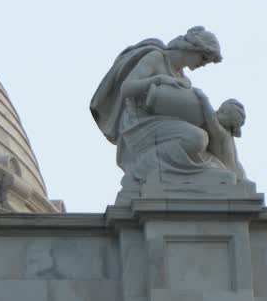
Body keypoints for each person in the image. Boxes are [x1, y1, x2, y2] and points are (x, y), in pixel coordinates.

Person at [90, 26, 233, 186]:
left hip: (164, 122)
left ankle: (196, 175)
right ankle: (144, 169)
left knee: (209, 143)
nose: (204, 64)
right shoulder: (156, 58)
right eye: (204, 58)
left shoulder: (183, 78)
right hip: (140, 123)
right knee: (197, 138)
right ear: (193, 48)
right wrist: (158, 80)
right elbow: (127, 88)